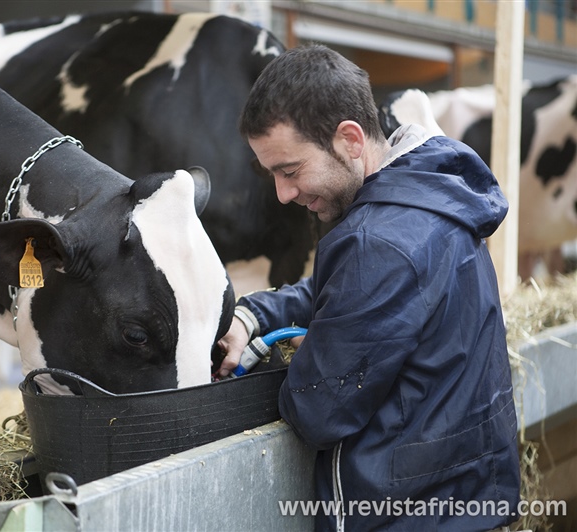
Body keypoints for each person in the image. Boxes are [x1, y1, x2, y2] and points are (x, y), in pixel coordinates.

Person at [217, 44, 520, 531]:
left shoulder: (376, 243)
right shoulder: (430, 194)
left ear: (350, 140)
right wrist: (255, 316)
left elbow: (318, 409)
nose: (283, 193)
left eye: (290, 170)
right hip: (466, 496)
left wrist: (300, 351)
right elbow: (335, 291)